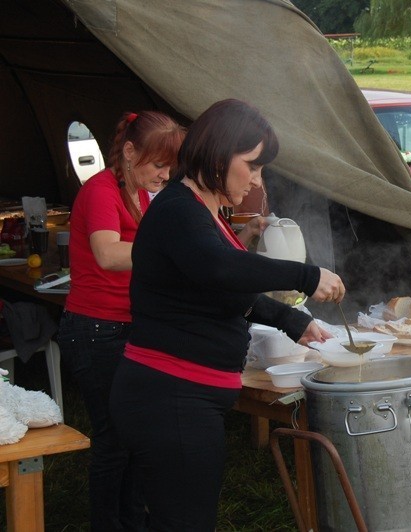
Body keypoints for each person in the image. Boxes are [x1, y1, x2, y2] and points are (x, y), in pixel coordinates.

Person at [108, 98, 345, 530]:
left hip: (184, 398)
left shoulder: (204, 211)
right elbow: (219, 268)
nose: (257, 180)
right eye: (253, 165)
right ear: (219, 155)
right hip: (170, 397)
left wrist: (292, 320)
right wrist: (307, 275)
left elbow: (219, 290)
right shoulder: (178, 210)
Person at [58, 110, 185, 531]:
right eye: (158, 165)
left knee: (136, 435)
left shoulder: (144, 194)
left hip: (130, 326)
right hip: (95, 330)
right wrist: (166, 250)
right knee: (114, 439)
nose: (165, 175)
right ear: (130, 153)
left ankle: (132, 521)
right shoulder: (100, 192)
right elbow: (108, 254)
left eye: (170, 166)